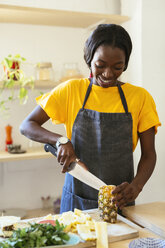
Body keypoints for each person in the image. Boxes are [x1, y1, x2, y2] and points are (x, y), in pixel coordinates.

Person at [20, 24, 161, 214]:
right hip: (75, 204)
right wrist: (60, 141)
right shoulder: (71, 90)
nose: (108, 74)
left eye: (117, 67)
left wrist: (136, 186)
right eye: (100, 65)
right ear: (89, 59)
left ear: (125, 64)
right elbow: (27, 125)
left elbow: (149, 154)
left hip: (119, 203)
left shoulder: (140, 98)